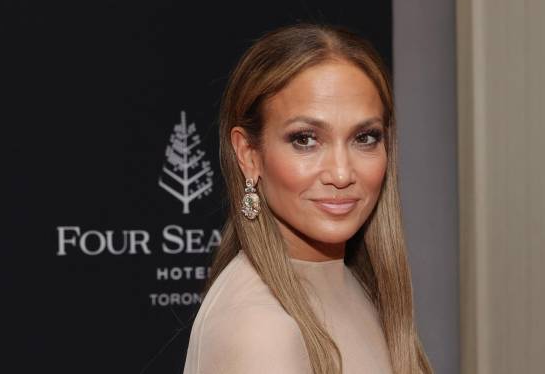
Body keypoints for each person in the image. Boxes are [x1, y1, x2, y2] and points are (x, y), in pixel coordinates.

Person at [182, 22, 433, 374]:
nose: (342, 174)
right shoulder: (261, 328)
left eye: (364, 137)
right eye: (305, 139)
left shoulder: (354, 285)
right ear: (249, 154)